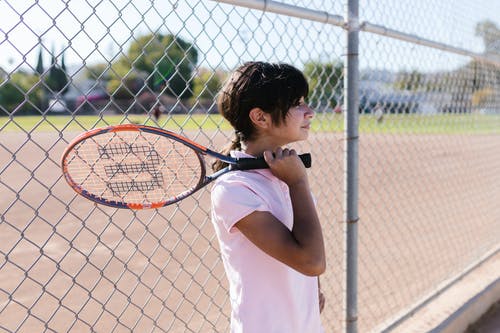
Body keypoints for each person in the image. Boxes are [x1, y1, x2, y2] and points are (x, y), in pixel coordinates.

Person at [210, 61, 326, 333]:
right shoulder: (234, 189)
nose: (310, 111)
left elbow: (307, 254)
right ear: (260, 118)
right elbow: (312, 261)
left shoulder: (282, 172)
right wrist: (298, 182)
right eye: (297, 103)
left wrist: (312, 289)